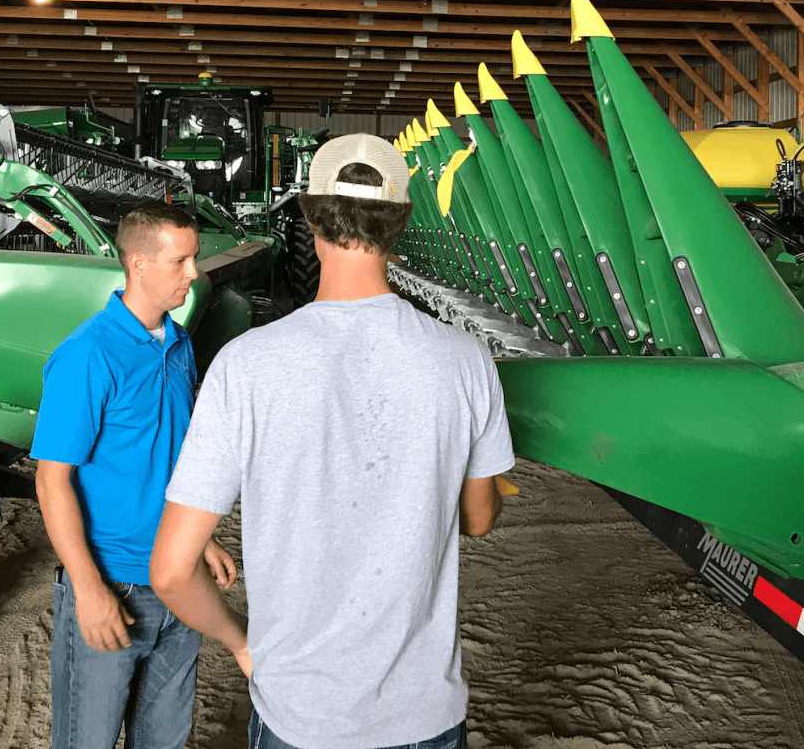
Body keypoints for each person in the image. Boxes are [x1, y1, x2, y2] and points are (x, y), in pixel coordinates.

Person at [152, 133, 514, 749]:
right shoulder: (465, 361)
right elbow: (477, 520)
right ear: (400, 222)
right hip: (423, 713)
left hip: (300, 714)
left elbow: (170, 573)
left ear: (310, 220)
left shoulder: (247, 365)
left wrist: (243, 644)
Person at [31, 201, 237, 749]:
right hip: (114, 584)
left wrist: (203, 537)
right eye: (181, 262)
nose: (194, 274)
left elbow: (168, 455)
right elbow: (51, 481)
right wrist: (89, 590)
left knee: (164, 740)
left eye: (194, 259)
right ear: (139, 264)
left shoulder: (177, 343)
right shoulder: (88, 355)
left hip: (179, 580)